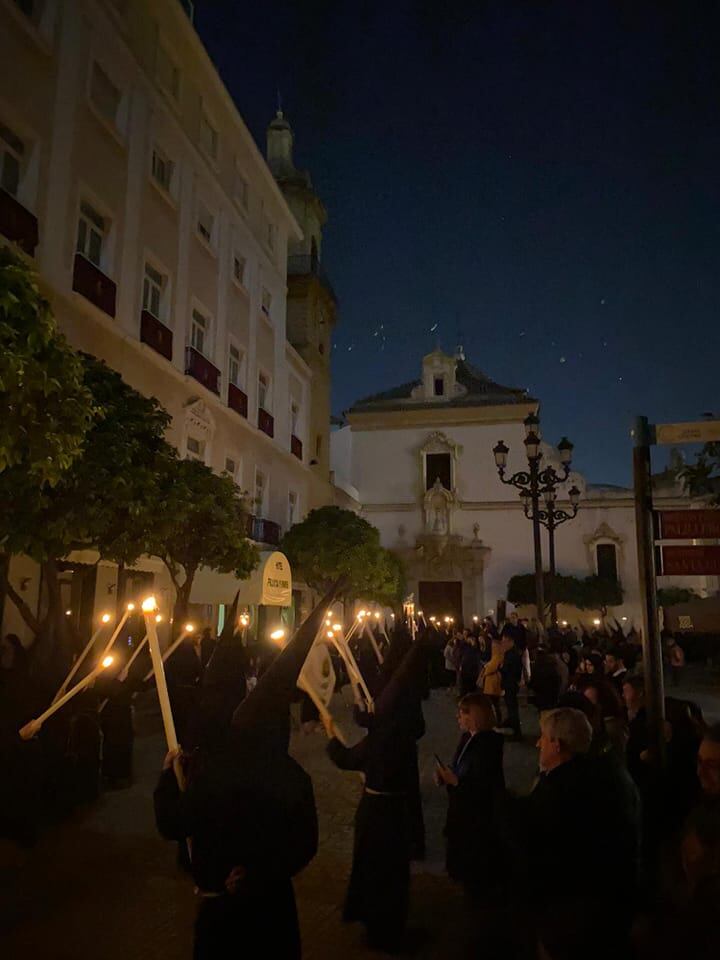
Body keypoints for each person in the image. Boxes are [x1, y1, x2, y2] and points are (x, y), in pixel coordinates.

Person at [154, 587, 339, 959]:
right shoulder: (294, 777)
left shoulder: (217, 773)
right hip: (274, 907)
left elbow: (174, 822)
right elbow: (306, 846)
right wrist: (263, 875)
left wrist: (166, 781)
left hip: (225, 915)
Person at [506, 708, 641, 959]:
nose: (538, 743)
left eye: (543, 738)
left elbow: (541, 852)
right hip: (599, 907)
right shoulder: (595, 774)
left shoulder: (561, 791)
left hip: (571, 916)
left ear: (557, 745)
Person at [325, 639, 429, 953]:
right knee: (393, 874)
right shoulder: (400, 734)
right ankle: (388, 924)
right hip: (397, 812)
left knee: (376, 871)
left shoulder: (381, 740)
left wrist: (331, 734)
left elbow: (345, 758)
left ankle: (378, 929)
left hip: (376, 814)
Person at [436, 692, 504, 898]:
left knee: (474, 867)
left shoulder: (488, 744)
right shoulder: (468, 737)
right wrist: (446, 775)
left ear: (474, 716)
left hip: (476, 818)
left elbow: (483, 784)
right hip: (461, 812)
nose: (458, 717)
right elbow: (461, 766)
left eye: (462, 713)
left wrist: (454, 781)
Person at [500, 634, 523, 738]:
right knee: (511, 707)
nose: (503, 644)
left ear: (510, 641)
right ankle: (513, 725)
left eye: (505, 642)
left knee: (512, 707)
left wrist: (501, 668)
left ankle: (516, 731)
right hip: (511, 683)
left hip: (510, 683)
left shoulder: (512, 654)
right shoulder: (513, 653)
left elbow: (509, 670)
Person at [479, 637, 504, 725]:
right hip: (491, 684)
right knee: (493, 703)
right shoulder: (496, 656)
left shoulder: (498, 656)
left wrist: (485, 669)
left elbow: (491, 667)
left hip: (493, 684)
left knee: (493, 703)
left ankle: (495, 721)